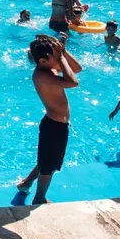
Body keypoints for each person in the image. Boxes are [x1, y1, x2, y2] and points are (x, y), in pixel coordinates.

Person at [16, 34, 82, 204]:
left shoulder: (49, 69)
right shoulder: (41, 75)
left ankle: (26, 183)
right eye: (55, 56)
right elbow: (73, 82)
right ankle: (39, 198)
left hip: (57, 125)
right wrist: (61, 58)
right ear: (43, 60)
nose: (58, 59)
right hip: (53, 127)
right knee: (48, 168)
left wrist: (63, 52)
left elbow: (76, 69)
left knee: (47, 160)